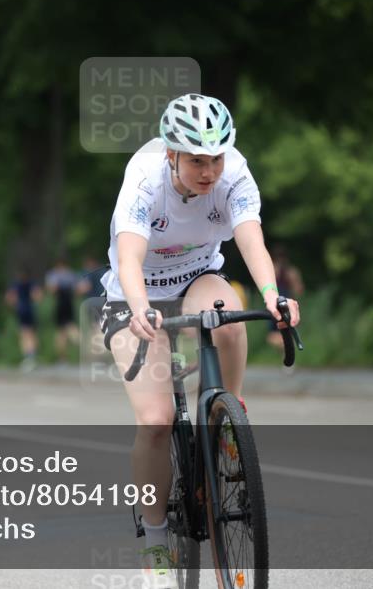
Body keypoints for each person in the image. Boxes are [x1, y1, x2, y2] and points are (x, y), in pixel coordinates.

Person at [98, 93, 300, 587]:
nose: (208, 171)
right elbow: (128, 257)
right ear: (171, 154)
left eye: (215, 158)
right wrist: (141, 306)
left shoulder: (234, 174)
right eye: (196, 161)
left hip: (196, 278)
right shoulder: (144, 177)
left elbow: (251, 238)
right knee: (155, 421)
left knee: (227, 316)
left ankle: (225, 420)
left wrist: (274, 296)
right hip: (135, 292)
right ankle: (155, 541)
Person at [265, 245, 305, 355]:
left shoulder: (271, 270)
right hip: (285, 304)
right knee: (284, 333)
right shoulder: (292, 272)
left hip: (275, 305)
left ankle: (284, 349)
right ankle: (285, 349)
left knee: (273, 335)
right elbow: (299, 290)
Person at [45, 257, 80, 365]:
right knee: (63, 331)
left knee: (65, 331)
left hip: (62, 304)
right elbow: (78, 289)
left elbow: (51, 289)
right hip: (67, 303)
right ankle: (63, 358)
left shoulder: (54, 275)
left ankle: (82, 350)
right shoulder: (71, 274)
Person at [6, 269, 42, 370]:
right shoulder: (32, 283)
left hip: (21, 310)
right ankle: (33, 356)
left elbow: (9, 298)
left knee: (24, 335)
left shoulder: (15, 284)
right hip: (31, 310)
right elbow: (38, 296)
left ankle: (29, 357)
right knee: (32, 334)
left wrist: (14, 304)